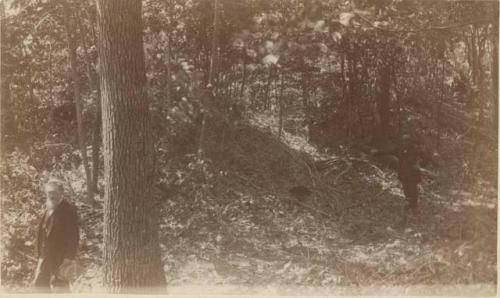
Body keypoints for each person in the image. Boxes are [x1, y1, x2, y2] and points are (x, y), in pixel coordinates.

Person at [32, 178, 79, 293]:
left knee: (60, 288)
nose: (51, 195)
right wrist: (39, 254)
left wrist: (69, 258)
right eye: (49, 192)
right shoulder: (48, 208)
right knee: (40, 285)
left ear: (61, 193)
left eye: (54, 192)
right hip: (44, 256)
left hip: (60, 257)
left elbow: (74, 236)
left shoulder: (68, 210)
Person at [372, 134, 430, 214]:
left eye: (407, 140)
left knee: (413, 189)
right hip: (404, 172)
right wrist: (377, 152)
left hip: (413, 173)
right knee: (406, 189)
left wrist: (420, 165)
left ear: (410, 141)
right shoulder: (400, 149)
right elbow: (389, 152)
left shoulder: (415, 149)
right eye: (404, 140)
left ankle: (415, 208)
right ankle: (409, 204)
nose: (405, 142)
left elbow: (426, 157)